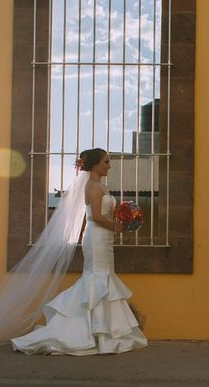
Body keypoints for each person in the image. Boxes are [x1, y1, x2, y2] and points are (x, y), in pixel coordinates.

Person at [12, 148, 148, 355]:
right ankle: (90, 334)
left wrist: (125, 217)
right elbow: (95, 217)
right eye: (106, 162)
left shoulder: (100, 186)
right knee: (97, 279)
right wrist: (116, 227)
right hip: (96, 238)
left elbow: (105, 214)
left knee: (103, 278)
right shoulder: (92, 186)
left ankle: (101, 333)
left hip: (104, 239)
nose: (109, 166)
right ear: (94, 165)